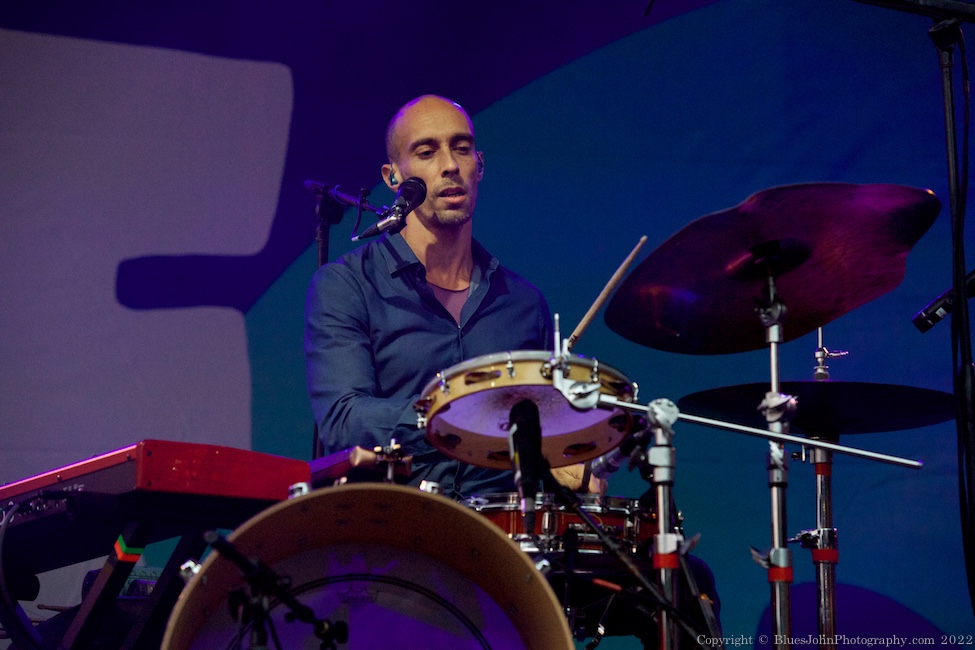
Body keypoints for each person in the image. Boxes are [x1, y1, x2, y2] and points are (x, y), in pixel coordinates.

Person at [304, 94, 603, 500]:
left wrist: (569, 455)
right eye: (426, 152)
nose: (449, 165)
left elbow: (545, 428)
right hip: (397, 526)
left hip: (505, 536)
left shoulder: (523, 304)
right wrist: (459, 413)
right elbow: (343, 420)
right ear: (393, 177)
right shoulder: (346, 285)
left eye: (461, 149)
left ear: (478, 165)